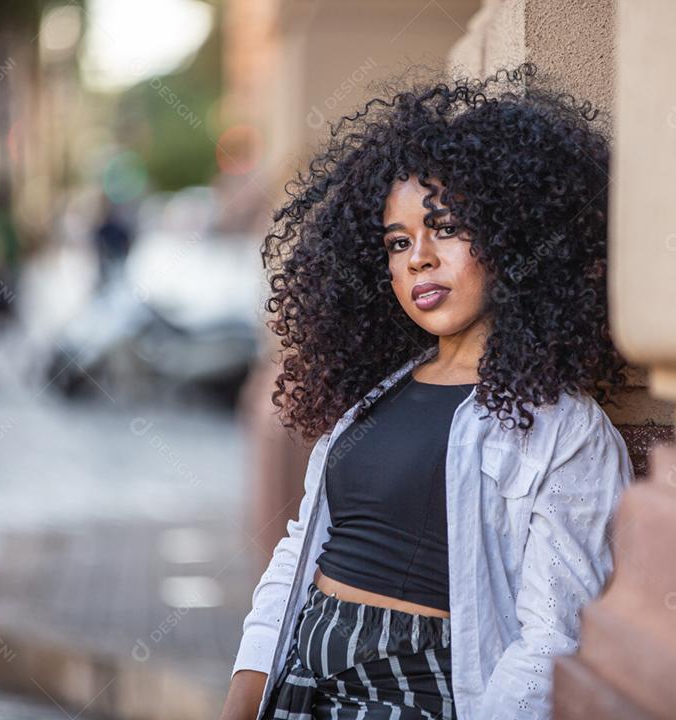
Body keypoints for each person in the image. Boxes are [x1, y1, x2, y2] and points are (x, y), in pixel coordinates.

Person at [218, 62, 634, 720]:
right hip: (301, 674)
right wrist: (250, 681)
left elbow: (551, 637)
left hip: (412, 687)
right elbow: (304, 542)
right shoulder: (375, 395)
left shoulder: (561, 430)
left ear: (510, 235)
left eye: (445, 228)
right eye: (398, 241)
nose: (418, 258)